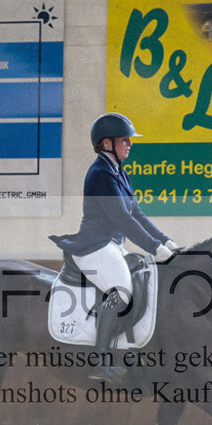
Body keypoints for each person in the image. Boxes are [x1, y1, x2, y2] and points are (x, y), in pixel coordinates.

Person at [50, 113, 181, 381]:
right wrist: (154, 248)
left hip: (111, 245)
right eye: (125, 140)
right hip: (94, 245)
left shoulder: (119, 172)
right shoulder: (99, 173)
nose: (130, 144)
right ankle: (99, 359)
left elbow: (137, 215)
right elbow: (120, 217)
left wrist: (165, 241)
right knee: (120, 290)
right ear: (107, 143)